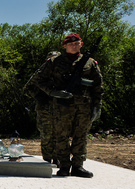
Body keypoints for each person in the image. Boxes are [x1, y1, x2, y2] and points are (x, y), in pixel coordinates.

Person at [33, 33, 104, 178]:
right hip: (62, 105)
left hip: (83, 106)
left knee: (81, 136)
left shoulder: (90, 63)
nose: (74, 46)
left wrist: (97, 106)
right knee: (61, 136)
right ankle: (64, 165)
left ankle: (78, 166)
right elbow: (39, 80)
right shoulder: (54, 62)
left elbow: (98, 86)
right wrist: (53, 92)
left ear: (81, 44)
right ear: (64, 46)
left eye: (77, 43)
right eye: (71, 44)